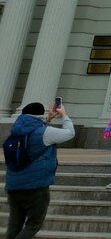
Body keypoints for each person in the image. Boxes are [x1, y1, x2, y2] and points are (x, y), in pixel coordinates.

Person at [4, 101, 75, 239]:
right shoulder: (45, 132)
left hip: (13, 187)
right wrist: (64, 116)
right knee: (33, 225)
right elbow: (69, 133)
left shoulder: (16, 129)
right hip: (36, 188)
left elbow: (35, 133)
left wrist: (47, 119)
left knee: (14, 226)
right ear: (40, 115)